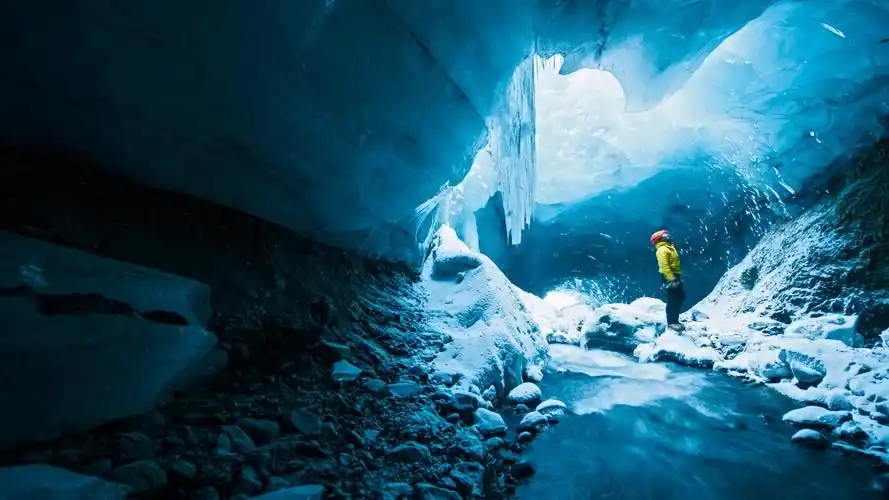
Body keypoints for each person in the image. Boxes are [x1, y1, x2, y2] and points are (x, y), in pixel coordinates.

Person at [650, 229, 685, 331]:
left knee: (680, 297)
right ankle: (672, 322)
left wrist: (679, 277)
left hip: (675, 276)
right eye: (665, 235)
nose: (668, 236)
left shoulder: (669, 247)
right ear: (661, 238)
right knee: (673, 299)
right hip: (670, 277)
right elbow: (664, 266)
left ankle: (675, 320)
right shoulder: (662, 250)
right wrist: (671, 279)